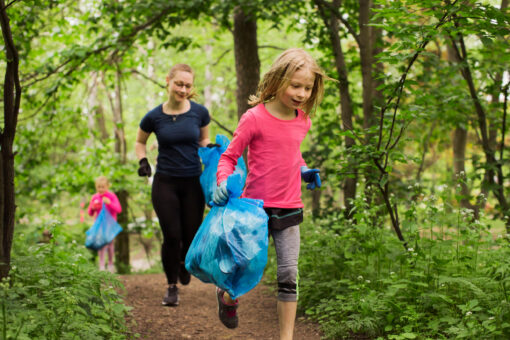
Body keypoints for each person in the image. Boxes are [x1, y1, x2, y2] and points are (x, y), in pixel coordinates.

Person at [212, 48, 327, 340]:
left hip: (290, 208)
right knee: (245, 268)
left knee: (288, 276)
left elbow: (291, 154)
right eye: (295, 85)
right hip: (255, 209)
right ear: (277, 80)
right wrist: (223, 182)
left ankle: (286, 337)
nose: (301, 93)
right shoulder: (254, 118)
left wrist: (304, 170)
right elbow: (228, 157)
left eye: (308, 87)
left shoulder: (303, 120)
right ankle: (227, 297)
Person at [135, 63, 214, 307]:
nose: (183, 89)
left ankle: (182, 262)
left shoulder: (200, 113)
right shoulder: (153, 116)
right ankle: (171, 287)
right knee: (172, 235)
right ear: (168, 81)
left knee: (190, 236)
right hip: (165, 182)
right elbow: (140, 142)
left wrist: (210, 153)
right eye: (179, 83)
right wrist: (143, 161)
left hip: (193, 182)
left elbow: (203, 139)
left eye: (187, 85)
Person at [87, 175, 122, 273]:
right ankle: (101, 266)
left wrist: (109, 203)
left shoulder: (111, 196)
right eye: (99, 187)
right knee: (101, 244)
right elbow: (90, 213)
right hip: (99, 226)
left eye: (103, 187)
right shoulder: (95, 197)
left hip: (110, 225)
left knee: (110, 244)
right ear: (96, 187)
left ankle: (110, 264)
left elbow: (119, 209)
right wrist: (92, 208)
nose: (101, 189)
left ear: (107, 186)